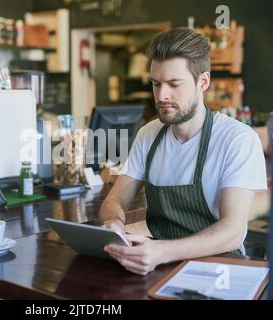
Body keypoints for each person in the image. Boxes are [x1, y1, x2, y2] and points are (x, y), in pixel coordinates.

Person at [99, 27, 267, 276]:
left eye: (174, 84)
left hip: (220, 272)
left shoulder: (237, 139)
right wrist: (113, 221)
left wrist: (161, 251)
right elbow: (114, 200)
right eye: (156, 84)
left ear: (203, 82)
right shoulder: (148, 135)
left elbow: (232, 232)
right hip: (159, 269)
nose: (162, 95)